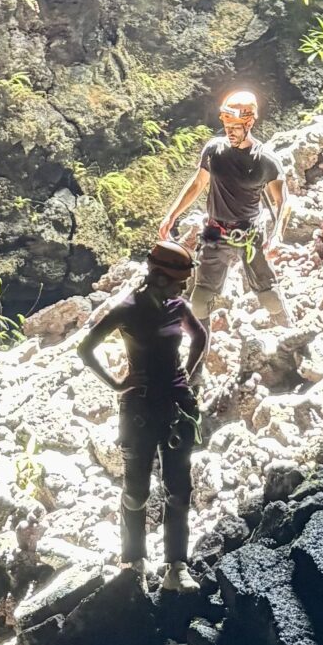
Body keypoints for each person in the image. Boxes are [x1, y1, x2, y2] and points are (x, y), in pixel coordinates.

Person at [77, 239, 207, 589]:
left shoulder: (177, 306)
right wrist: (118, 384)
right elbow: (86, 349)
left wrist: (188, 377)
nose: (183, 288)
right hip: (139, 408)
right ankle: (133, 561)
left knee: (179, 489)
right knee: (136, 490)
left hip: (177, 405)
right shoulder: (127, 308)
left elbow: (200, 337)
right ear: (162, 279)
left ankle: (175, 568)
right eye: (179, 282)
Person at [159, 88, 290, 328]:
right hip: (215, 233)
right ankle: (200, 350)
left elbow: (283, 200)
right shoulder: (214, 150)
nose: (230, 132)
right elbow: (198, 183)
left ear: (249, 122)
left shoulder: (265, 160)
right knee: (199, 301)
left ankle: (288, 329)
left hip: (249, 236)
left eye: (236, 127)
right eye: (227, 126)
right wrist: (172, 215)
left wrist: (276, 234)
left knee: (268, 296)